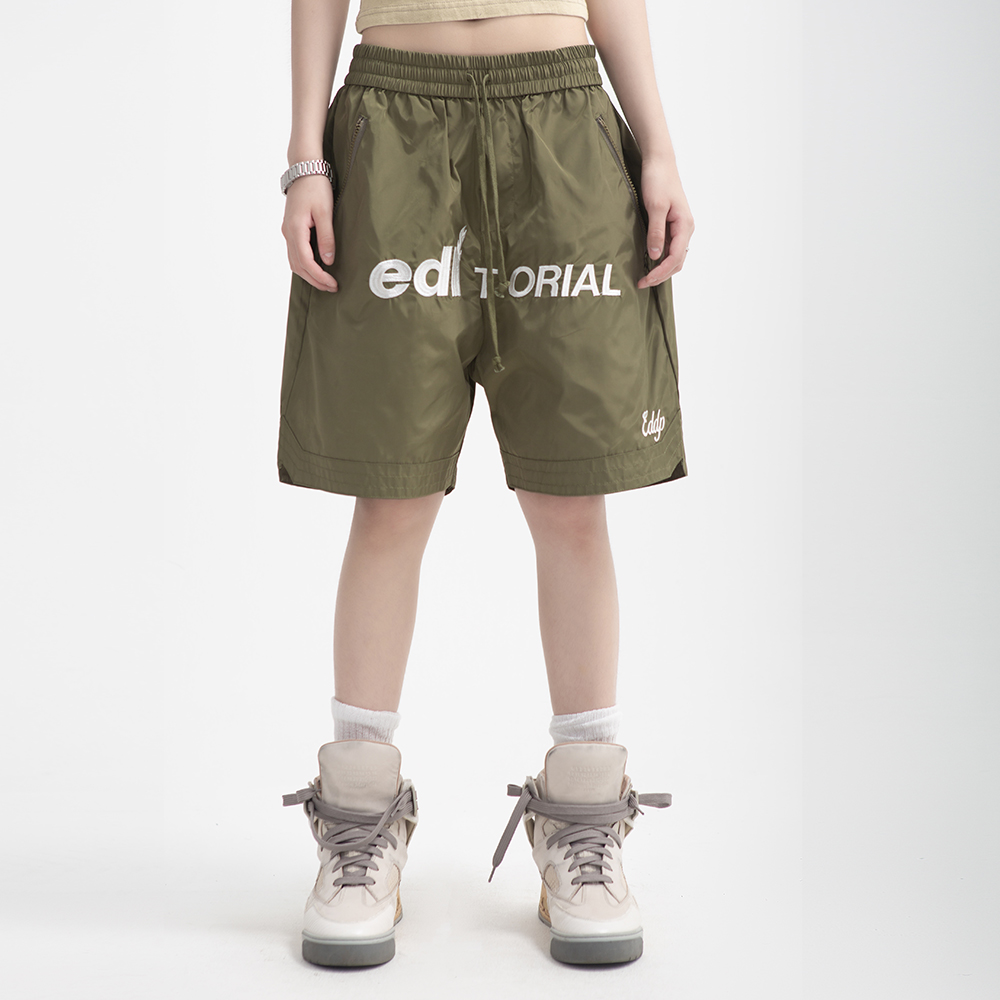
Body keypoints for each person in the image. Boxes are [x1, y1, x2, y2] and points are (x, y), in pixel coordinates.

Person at [278, 0, 694, 969]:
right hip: (393, 122)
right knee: (392, 496)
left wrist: (659, 146)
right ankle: (357, 824)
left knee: (571, 499)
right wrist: (306, 157)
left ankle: (583, 821)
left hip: (561, 121)